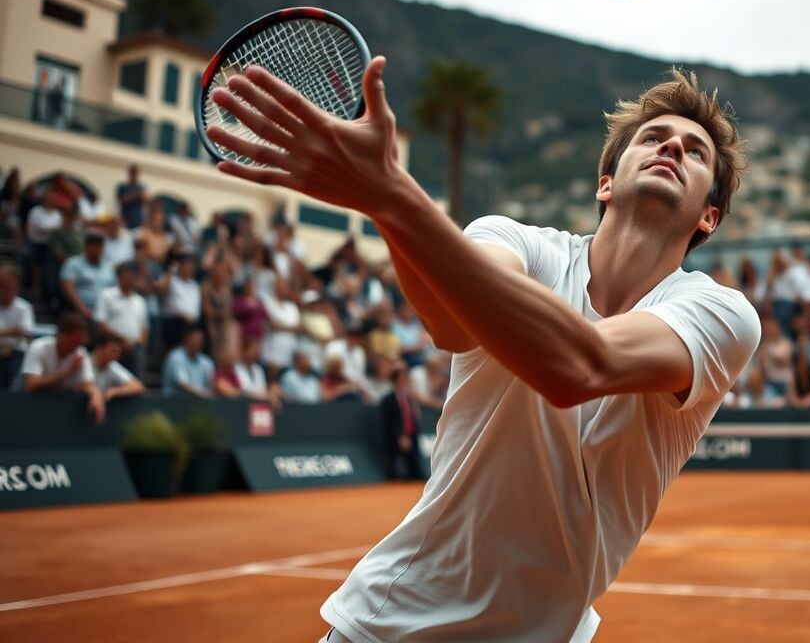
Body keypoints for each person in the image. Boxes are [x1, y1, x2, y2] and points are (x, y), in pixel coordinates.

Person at [207, 62, 759, 643]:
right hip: (389, 623)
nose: (672, 144)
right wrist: (385, 200)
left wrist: (390, 191)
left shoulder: (721, 315)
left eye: (696, 152)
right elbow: (449, 322)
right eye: (653, 137)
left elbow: (580, 366)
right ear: (605, 182)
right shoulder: (514, 240)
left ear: (708, 216)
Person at [18, 312, 104, 422]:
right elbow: (32, 384)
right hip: (27, 404)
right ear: (62, 335)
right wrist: (67, 373)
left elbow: (88, 384)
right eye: (76, 339)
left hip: (58, 406)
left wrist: (95, 394)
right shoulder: (38, 347)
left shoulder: (81, 353)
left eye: (82, 338)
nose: (80, 343)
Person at [93, 262, 149, 378]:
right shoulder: (107, 295)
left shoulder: (140, 301)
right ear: (119, 276)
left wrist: (136, 343)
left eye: (134, 275)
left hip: (133, 348)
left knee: (134, 379)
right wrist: (123, 340)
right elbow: (101, 323)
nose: (131, 278)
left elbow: (144, 329)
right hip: (112, 344)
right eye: (128, 275)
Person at [380, 364, 424, 479]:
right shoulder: (388, 399)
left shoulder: (409, 397)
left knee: (416, 473)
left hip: (411, 435)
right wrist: (400, 436)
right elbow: (390, 420)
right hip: (395, 438)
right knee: (394, 474)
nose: (406, 378)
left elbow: (412, 416)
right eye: (403, 375)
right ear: (397, 378)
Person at [0, 265, 35, 391]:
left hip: (15, 354)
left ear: (15, 287)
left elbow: (26, 333)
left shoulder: (24, 307)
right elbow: (17, 330)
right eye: (1, 286)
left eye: (7, 286)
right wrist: (13, 330)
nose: (4, 290)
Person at [161, 326, 215, 399]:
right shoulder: (175, 357)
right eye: (195, 340)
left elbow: (211, 384)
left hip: (198, 404)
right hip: (174, 404)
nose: (198, 343)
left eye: (201, 341)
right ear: (186, 339)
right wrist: (202, 394)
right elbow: (183, 384)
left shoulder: (206, 361)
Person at [162, 253, 202, 351]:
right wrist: (171, 271)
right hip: (175, 323)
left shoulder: (195, 285)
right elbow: (166, 301)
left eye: (191, 266)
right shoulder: (172, 282)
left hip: (192, 324)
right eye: (187, 265)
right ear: (180, 266)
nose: (189, 268)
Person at [89, 334, 146, 401]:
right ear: (100, 348)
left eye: (118, 352)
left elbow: (138, 387)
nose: (115, 355)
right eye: (112, 351)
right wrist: (95, 393)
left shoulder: (112, 366)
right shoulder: (85, 361)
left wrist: (113, 391)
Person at [116, 165, 147, 231]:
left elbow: (147, 200)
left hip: (138, 222)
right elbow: (122, 200)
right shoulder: (122, 187)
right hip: (125, 221)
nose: (135, 175)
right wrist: (137, 195)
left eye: (136, 173)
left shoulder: (142, 187)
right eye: (133, 173)